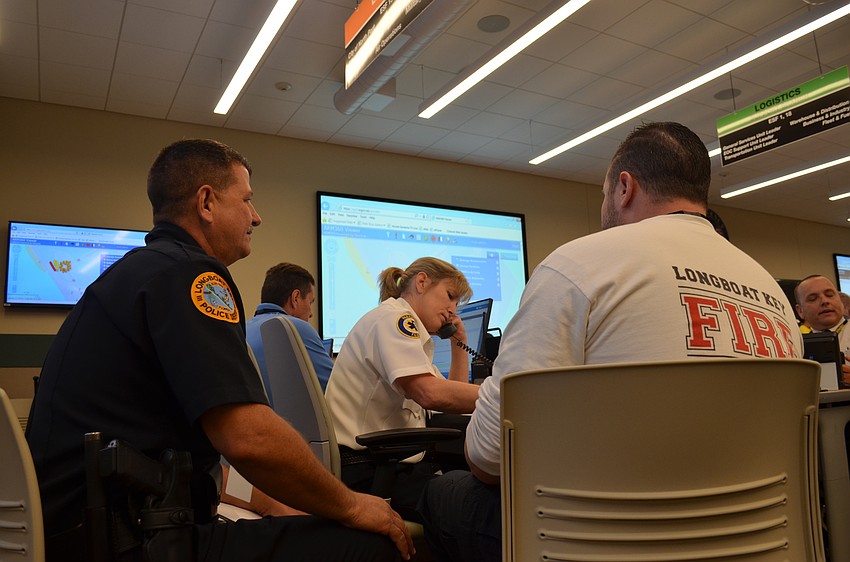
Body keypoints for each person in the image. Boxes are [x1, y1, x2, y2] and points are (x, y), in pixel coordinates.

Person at [417, 122, 804, 562]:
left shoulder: (577, 265)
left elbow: (488, 459)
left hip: (609, 544)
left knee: (442, 491)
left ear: (624, 187)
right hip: (756, 541)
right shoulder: (772, 292)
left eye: (603, 195)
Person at [26, 139, 412, 562]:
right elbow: (248, 438)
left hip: (87, 533)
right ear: (206, 202)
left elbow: (185, 452)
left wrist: (271, 504)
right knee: (372, 545)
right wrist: (353, 504)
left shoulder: (142, 273)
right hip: (131, 543)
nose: (256, 216)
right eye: (246, 200)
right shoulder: (190, 273)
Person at [325, 257, 480, 520]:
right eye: (450, 296)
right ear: (422, 282)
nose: (453, 311)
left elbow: (448, 393)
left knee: (467, 488)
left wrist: (459, 343)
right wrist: (502, 397)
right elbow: (429, 394)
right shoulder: (396, 320)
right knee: (478, 502)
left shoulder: (400, 325)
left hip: (383, 467)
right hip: (372, 473)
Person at [246, 262, 334, 393]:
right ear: (296, 298)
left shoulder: (243, 328)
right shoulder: (296, 329)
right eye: (310, 302)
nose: (311, 313)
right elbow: (334, 389)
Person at [794, 275, 850, 385]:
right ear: (800, 311)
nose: (824, 301)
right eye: (813, 298)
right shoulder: (796, 348)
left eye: (829, 295)